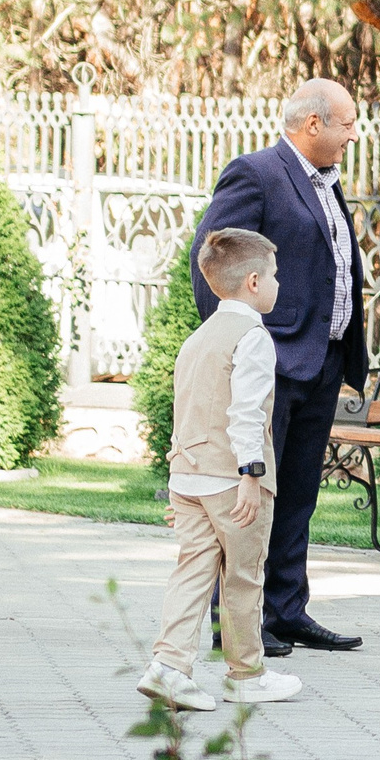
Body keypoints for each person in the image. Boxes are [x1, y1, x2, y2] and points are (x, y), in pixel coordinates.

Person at [189, 78, 367, 659]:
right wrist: (238, 344)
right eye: (345, 123)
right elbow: (213, 255)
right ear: (312, 124)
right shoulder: (258, 173)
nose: (352, 134)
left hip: (321, 362)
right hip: (273, 360)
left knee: (295, 496)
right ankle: (235, 621)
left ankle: (286, 611)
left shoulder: (327, 183)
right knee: (252, 495)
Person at [139, 228, 306, 710]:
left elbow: (187, 409)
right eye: (274, 275)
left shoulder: (199, 337)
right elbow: (246, 412)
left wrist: (178, 481)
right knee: (244, 576)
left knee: (191, 571)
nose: (278, 283)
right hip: (232, 480)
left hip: (187, 474)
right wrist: (251, 476)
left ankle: (168, 666)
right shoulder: (252, 336)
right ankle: (246, 674)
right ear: (253, 281)